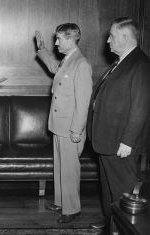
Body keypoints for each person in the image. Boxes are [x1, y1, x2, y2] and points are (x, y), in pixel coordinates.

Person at [87, 17, 150, 228]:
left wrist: (128, 142)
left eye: (112, 36)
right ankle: (110, 225)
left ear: (125, 37)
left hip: (121, 145)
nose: (107, 41)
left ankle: (124, 229)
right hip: (107, 141)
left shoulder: (140, 64)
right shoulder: (120, 62)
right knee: (109, 191)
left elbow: (141, 106)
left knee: (123, 194)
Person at [35, 24, 93, 223]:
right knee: (60, 167)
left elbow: (83, 102)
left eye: (59, 39)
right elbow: (54, 67)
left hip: (70, 129)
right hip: (59, 125)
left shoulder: (81, 64)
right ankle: (61, 202)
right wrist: (41, 49)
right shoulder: (68, 60)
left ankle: (72, 209)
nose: (56, 43)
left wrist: (77, 130)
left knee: (69, 170)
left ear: (71, 39)